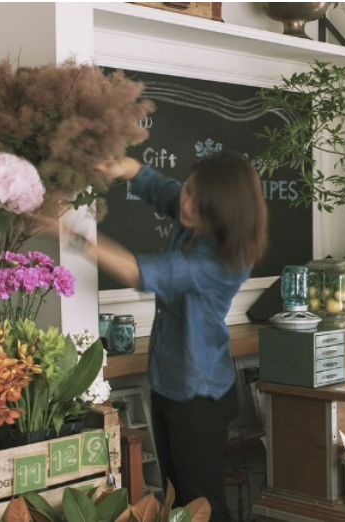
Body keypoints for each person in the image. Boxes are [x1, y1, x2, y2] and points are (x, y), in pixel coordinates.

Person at [65, 151, 267, 522]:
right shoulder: (195, 215)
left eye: (196, 200)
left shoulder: (221, 260)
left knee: (201, 506)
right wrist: (122, 166)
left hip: (198, 397)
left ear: (221, 212)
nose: (185, 201)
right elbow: (159, 186)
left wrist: (71, 235)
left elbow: (140, 272)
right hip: (170, 383)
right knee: (177, 502)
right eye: (188, 189)